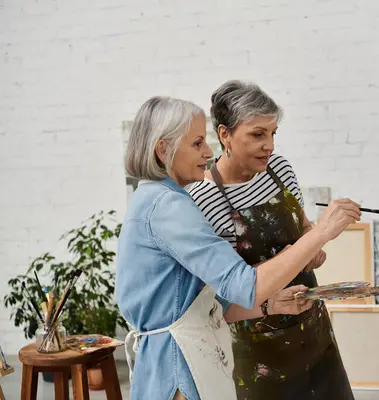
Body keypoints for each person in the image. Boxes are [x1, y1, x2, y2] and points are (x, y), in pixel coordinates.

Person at [116, 96, 361, 400]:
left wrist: (271, 305)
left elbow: (207, 300)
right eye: (196, 144)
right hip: (180, 365)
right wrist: (323, 231)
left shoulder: (156, 199)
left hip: (190, 354)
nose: (207, 152)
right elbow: (243, 284)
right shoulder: (168, 207)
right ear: (163, 149)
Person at [188, 80, 355, 400]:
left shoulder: (278, 169)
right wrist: (314, 239)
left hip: (315, 333)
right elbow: (222, 295)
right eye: (257, 134)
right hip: (260, 355)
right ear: (225, 135)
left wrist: (312, 246)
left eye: (273, 133)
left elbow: (303, 228)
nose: (270, 146)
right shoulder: (206, 198)